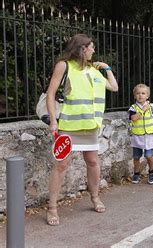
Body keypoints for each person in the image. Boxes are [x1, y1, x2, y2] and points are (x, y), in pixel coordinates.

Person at [45, 34, 119, 226]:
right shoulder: (64, 65)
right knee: (61, 165)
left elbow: (114, 87)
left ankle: (95, 197)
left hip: (90, 125)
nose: (94, 50)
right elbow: (51, 94)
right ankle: (52, 207)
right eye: (91, 47)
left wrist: (107, 69)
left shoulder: (93, 70)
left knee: (93, 161)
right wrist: (53, 120)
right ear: (82, 48)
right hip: (69, 125)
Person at [129, 84, 153, 184]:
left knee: (148, 155)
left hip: (149, 136)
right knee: (136, 157)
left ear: (147, 96)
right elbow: (134, 118)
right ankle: (136, 173)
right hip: (137, 136)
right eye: (138, 93)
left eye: (143, 93)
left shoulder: (151, 106)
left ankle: (151, 171)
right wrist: (142, 110)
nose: (140, 95)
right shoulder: (133, 108)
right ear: (135, 96)